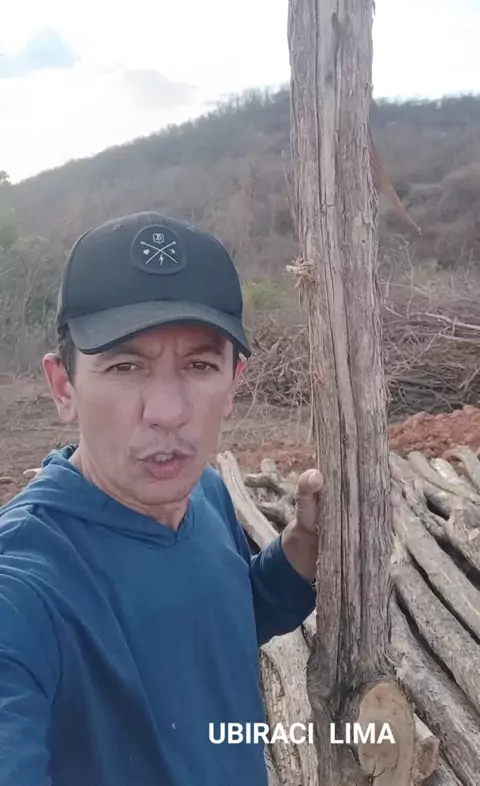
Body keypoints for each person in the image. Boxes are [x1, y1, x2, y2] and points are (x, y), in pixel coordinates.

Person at [0, 211, 323, 786]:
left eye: (200, 365)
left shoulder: (206, 493)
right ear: (63, 386)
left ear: (234, 383)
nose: (169, 411)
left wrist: (300, 548)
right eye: (125, 366)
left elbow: (217, 620)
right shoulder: (25, 585)